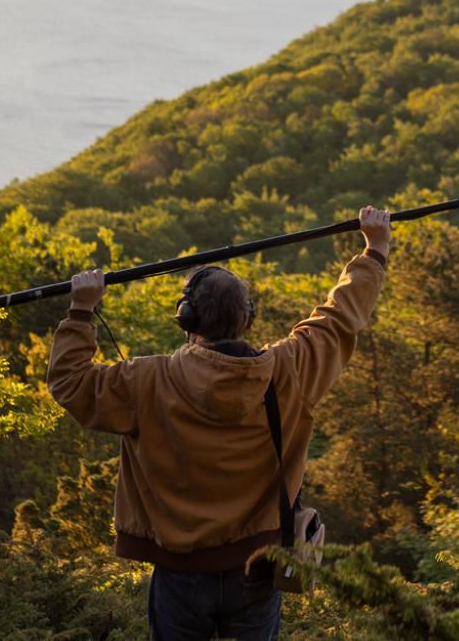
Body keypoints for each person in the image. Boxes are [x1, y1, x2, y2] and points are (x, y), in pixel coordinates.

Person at [47, 206, 393, 641]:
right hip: (258, 568)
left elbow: (70, 383)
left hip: (179, 572)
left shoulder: (145, 380)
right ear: (247, 318)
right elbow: (339, 317)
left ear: (186, 318)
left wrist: (81, 311)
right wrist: (374, 250)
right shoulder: (289, 371)